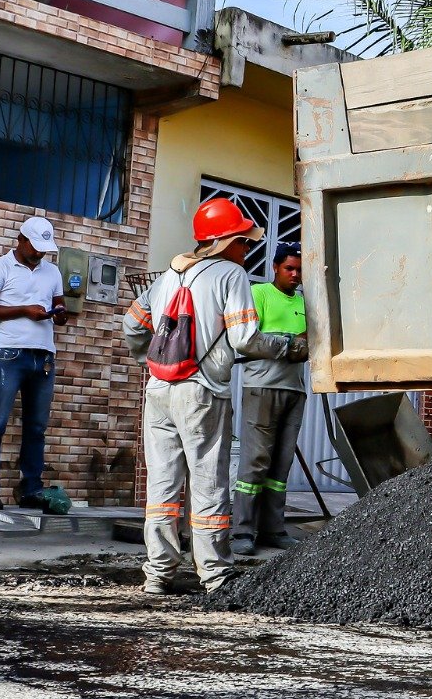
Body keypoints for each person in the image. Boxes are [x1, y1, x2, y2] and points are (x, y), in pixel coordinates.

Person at [123, 199, 298, 594]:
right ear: (223, 241)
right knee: (208, 482)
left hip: (159, 392)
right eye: (243, 241)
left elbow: (132, 324)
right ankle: (216, 575)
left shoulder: (171, 272)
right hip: (203, 393)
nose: (247, 249)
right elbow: (245, 339)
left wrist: (151, 362)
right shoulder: (231, 275)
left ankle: (158, 574)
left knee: (163, 486)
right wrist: (289, 347)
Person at [0, 216, 69, 511]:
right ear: (21, 238)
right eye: (35, 246)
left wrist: (60, 313)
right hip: (8, 354)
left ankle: (30, 489)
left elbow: (60, 303)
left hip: (43, 356)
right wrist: (25, 310)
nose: (40, 253)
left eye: (44, 248)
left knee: (36, 427)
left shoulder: (52, 271)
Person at [231, 240, 310, 555]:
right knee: (255, 460)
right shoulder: (259, 294)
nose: (295, 275)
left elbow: (313, 341)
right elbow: (249, 340)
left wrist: (296, 345)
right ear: (275, 267)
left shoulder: (306, 302)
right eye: (289, 268)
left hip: (294, 389)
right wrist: (291, 344)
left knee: (281, 463)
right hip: (262, 387)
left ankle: (273, 529)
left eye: (300, 270)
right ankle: (242, 532)